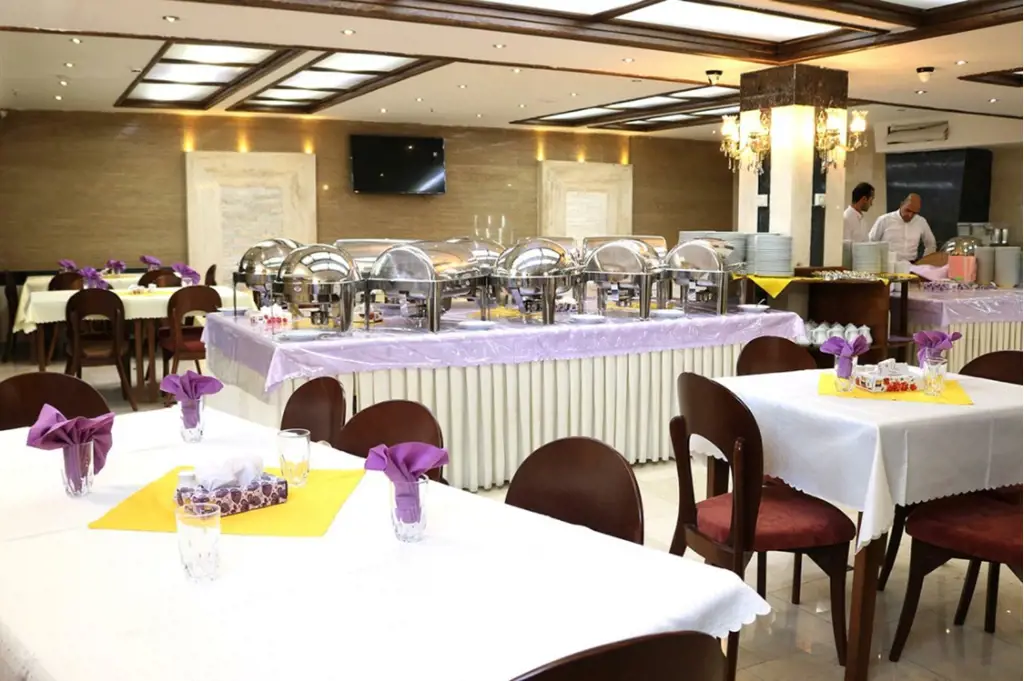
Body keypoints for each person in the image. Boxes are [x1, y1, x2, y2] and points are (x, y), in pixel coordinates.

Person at [867, 193, 937, 262]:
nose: (910, 215)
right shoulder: (884, 220)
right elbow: (870, 242)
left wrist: (924, 262)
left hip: (912, 264)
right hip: (888, 264)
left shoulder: (921, 222)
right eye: (908, 210)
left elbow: (931, 244)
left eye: (914, 213)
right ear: (901, 204)